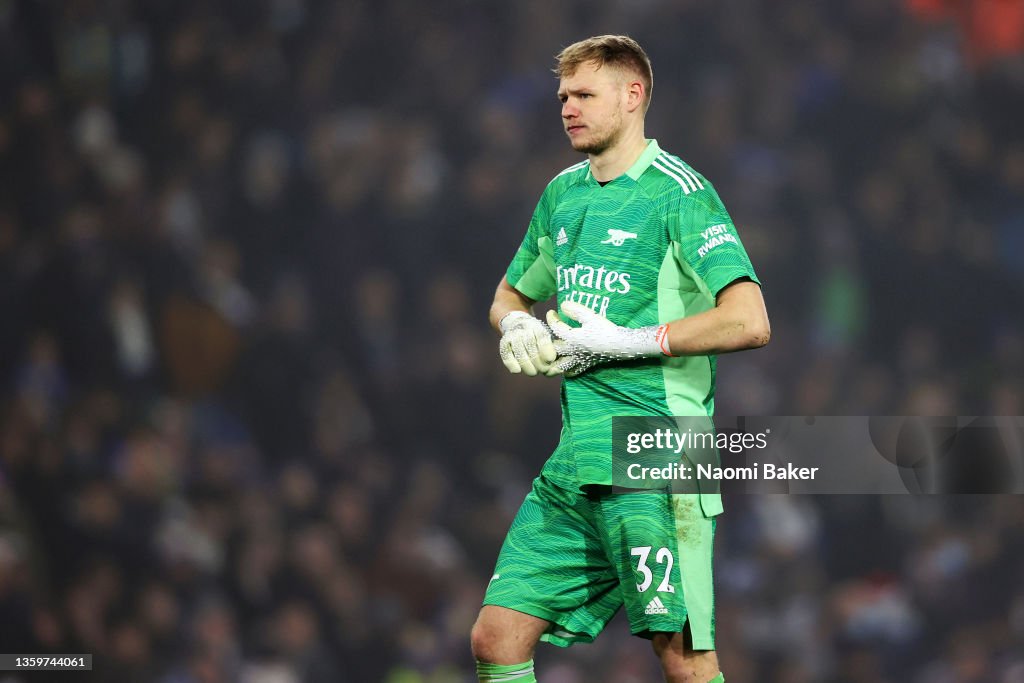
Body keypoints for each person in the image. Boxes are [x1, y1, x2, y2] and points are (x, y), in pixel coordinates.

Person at [472, 35, 770, 683]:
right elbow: (506, 295)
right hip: (575, 458)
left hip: (655, 451)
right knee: (497, 636)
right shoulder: (563, 195)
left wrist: (630, 342)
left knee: (685, 659)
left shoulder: (681, 195)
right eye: (562, 97)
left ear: (633, 96)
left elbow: (751, 320)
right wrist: (516, 323)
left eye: (584, 95)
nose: (567, 109)